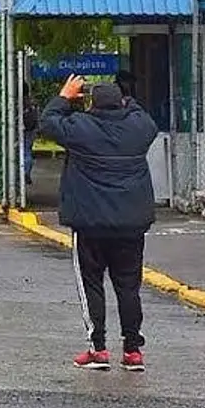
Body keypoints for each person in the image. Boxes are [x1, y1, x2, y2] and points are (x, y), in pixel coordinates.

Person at [39, 74, 158, 372]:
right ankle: (132, 351)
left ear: (91, 104)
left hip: (90, 223)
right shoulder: (139, 128)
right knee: (129, 287)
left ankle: (98, 348)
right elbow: (141, 114)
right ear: (121, 103)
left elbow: (48, 121)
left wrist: (65, 96)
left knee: (92, 285)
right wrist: (124, 99)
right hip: (131, 223)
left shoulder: (80, 128)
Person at [23, 82, 40, 185]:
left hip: (22, 129)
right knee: (27, 151)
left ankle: (24, 173)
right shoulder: (32, 102)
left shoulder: (17, 102)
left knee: (23, 151)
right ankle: (26, 173)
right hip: (31, 129)